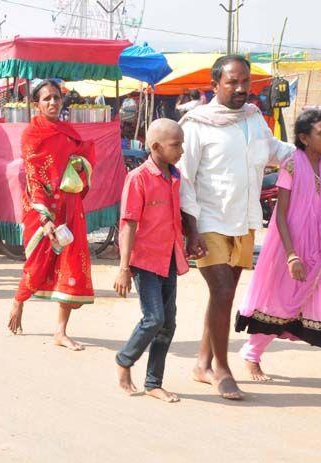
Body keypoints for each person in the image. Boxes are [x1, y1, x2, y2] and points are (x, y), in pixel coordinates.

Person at [178, 55, 321, 400]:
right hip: (209, 220)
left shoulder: (254, 121)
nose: (239, 88)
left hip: (245, 221)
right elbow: (185, 179)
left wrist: (320, 153)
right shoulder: (196, 125)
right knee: (222, 293)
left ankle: (202, 364)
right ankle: (221, 370)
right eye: (231, 82)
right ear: (215, 85)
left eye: (244, 82)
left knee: (221, 297)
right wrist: (189, 229)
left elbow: (281, 153)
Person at [235, 109, 321, 402]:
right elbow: (281, 216)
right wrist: (292, 256)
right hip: (291, 250)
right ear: (304, 138)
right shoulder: (291, 165)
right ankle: (252, 352)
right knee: (281, 305)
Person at [6, 79, 96, 351]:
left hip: (69, 207)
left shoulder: (68, 131)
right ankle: (19, 300)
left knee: (70, 263)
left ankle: (60, 330)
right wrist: (44, 217)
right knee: (37, 262)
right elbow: (34, 177)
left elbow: (84, 155)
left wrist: (80, 164)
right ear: (37, 104)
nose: (53, 103)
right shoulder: (32, 135)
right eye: (46, 99)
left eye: (56, 98)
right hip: (41, 209)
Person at [114, 119, 188, 403]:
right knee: (154, 318)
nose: (181, 150)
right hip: (144, 261)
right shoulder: (139, 179)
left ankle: (153, 382)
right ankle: (124, 360)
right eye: (175, 145)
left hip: (169, 257)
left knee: (168, 323)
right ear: (156, 147)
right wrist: (124, 268)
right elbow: (128, 225)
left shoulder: (176, 176)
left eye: (181, 144)